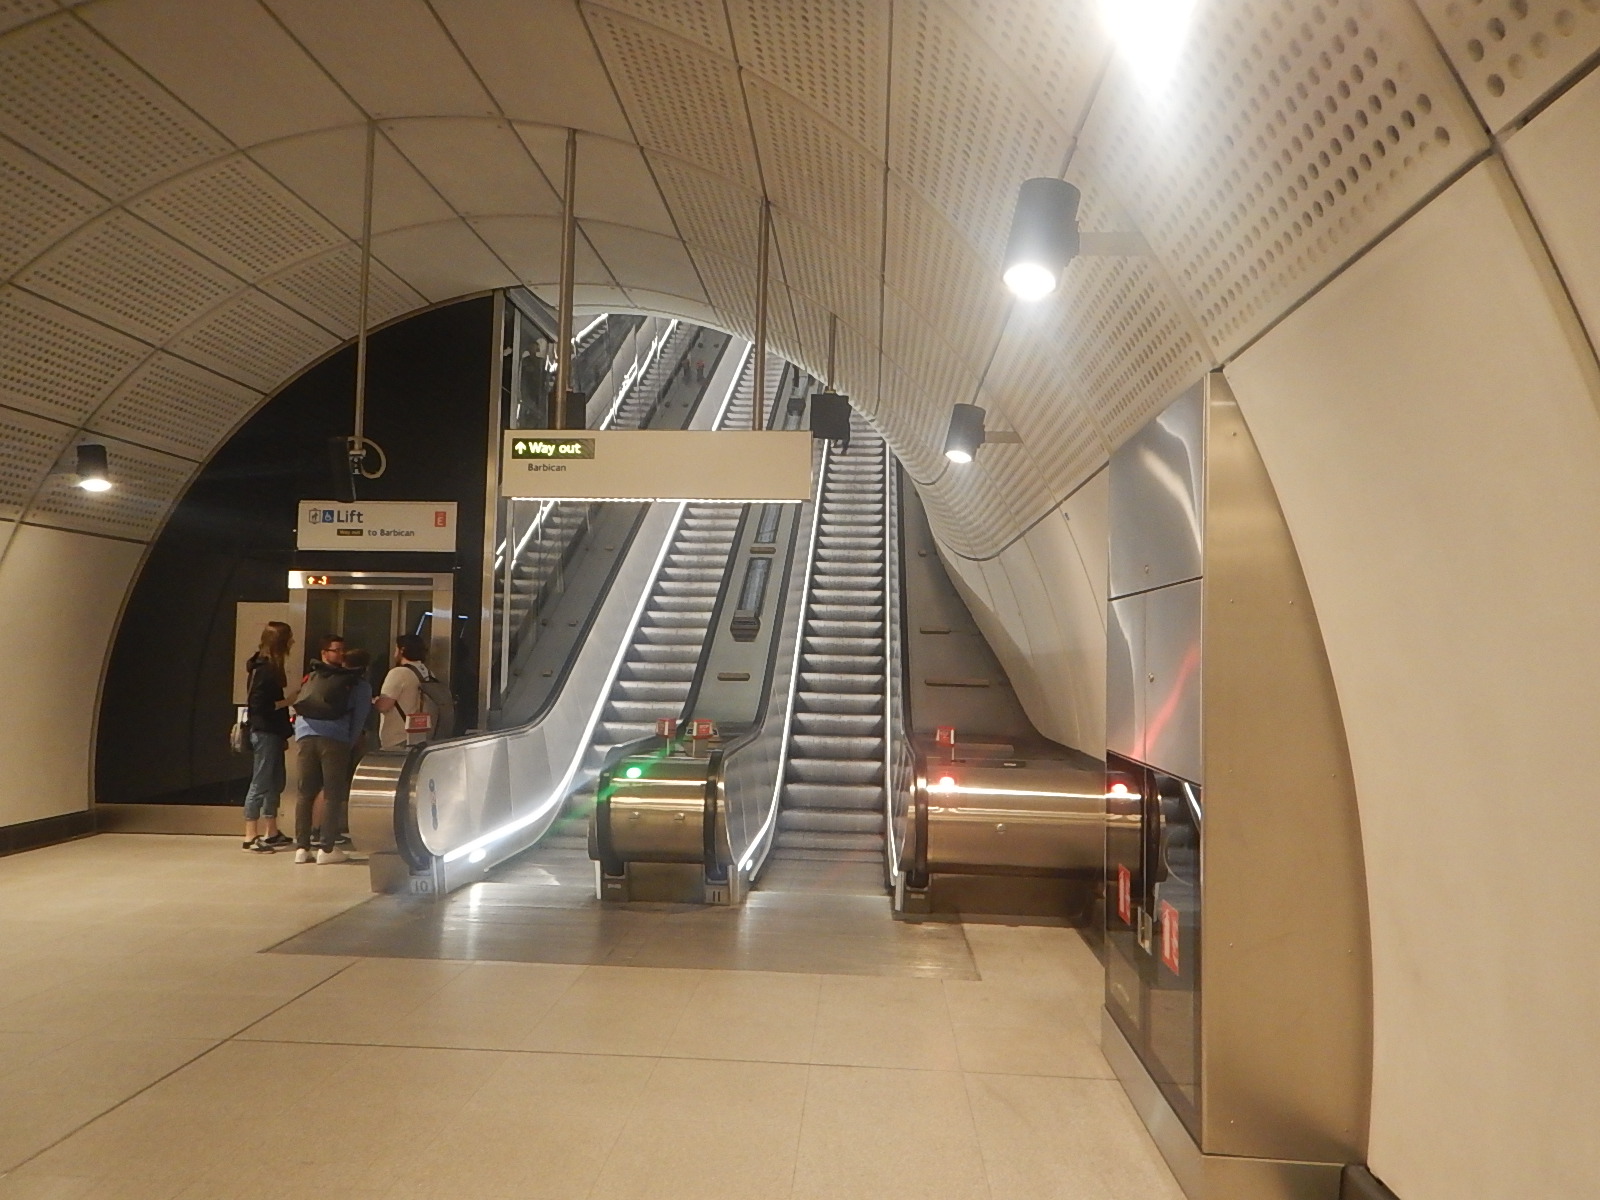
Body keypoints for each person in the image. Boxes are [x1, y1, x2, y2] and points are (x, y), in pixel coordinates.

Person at [290, 633, 370, 864]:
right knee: (333, 794)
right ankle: (326, 848)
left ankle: (302, 848)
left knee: (305, 793)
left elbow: (299, 706)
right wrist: (349, 741)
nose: (341, 654)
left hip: (306, 737)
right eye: (337, 650)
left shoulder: (311, 677)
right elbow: (360, 717)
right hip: (335, 738)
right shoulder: (355, 682)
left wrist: (300, 733)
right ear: (324, 653)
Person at [241, 621, 294, 853]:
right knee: (261, 781)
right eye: (289, 638)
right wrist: (287, 702)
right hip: (265, 731)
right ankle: (250, 834)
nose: (292, 642)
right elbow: (259, 705)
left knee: (274, 781)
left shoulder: (263, 666)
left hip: (272, 731)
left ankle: (271, 830)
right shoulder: (265, 669)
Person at [373, 634, 438, 750]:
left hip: (398, 738)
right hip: (422, 737)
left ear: (402, 650)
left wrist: (375, 701)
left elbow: (384, 706)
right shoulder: (428, 674)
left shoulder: (398, 673)